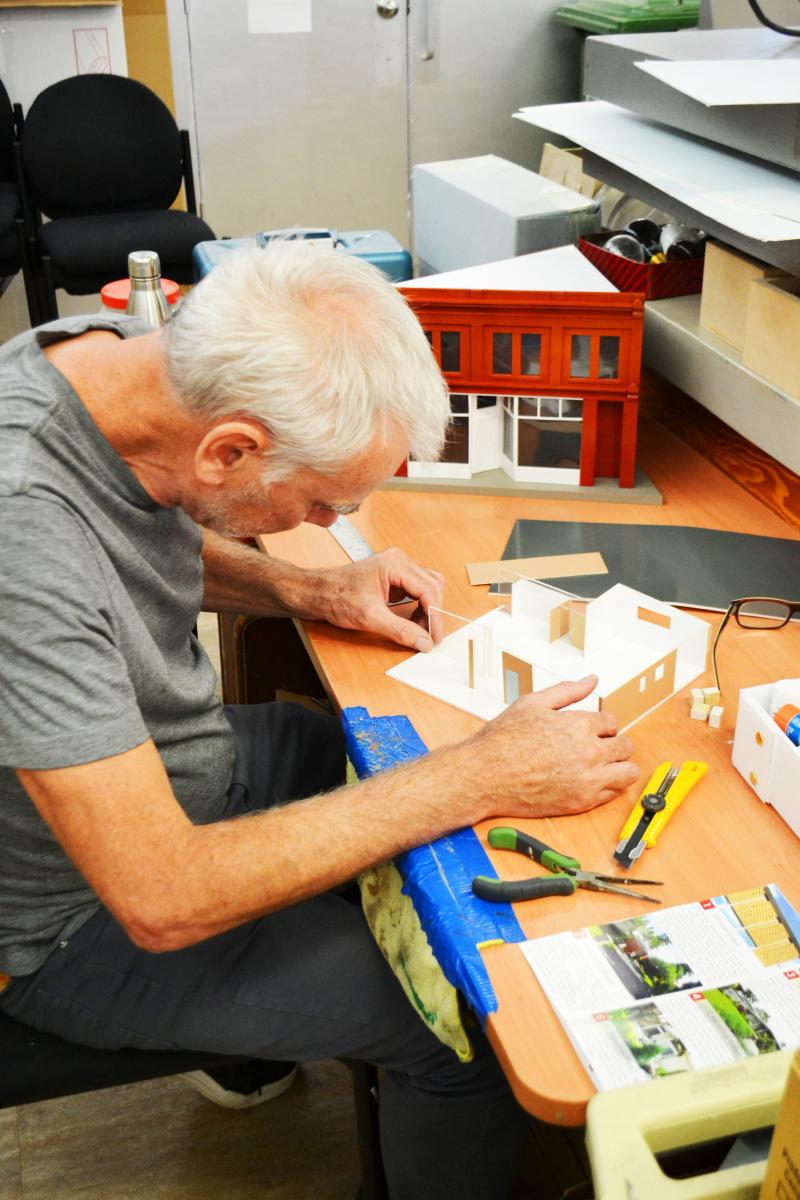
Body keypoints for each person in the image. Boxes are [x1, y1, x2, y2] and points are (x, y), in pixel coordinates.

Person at [0, 243, 638, 1199]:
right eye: (323, 504)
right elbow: (161, 895)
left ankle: (259, 1029)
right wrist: (481, 775)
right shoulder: (21, 534)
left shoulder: (114, 362)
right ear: (234, 449)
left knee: (365, 753)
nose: (331, 515)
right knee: (463, 1034)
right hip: (73, 920)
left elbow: (151, 528)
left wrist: (310, 586)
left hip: (179, 769)